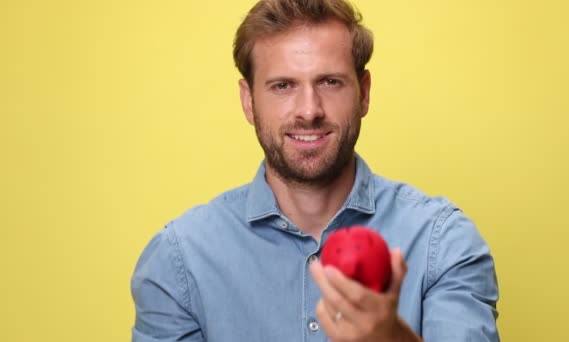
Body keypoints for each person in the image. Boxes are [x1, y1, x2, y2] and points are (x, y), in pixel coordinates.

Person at [130, 0, 500, 341]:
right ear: (248, 101)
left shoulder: (443, 242)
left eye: (330, 82)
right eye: (283, 86)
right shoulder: (180, 260)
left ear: (364, 92)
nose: (309, 110)